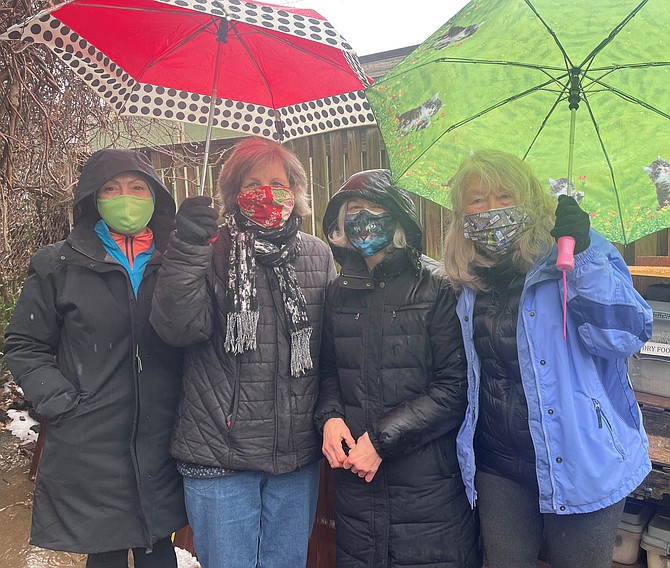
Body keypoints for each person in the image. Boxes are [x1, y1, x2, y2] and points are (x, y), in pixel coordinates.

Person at [443, 149, 653, 568]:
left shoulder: (576, 255)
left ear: (531, 200)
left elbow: (625, 337)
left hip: (579, 457)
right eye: (477, 200)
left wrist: (585, 258)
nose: (491, 209)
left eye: (505, 196)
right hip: (500, 464)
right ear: (462, 214)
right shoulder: (468, 281)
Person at [149, 137, 336, 568]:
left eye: (278, 182)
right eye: (253, 183)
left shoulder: (317, 255)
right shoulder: (207, 249)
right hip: (219, 451)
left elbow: (327, 350)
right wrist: (185, 249)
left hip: (294, 458)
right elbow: (176, 328)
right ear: (233, 193)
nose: (267, 192)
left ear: (296, 191)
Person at [4, 149, 187, 568]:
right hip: (92, 438)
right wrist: (61, 402)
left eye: (138, 187)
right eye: (112, 188)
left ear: (155, 196)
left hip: (161, 434)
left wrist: (194, 247)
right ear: (93, 198)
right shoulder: (59, 264)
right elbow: (24, 343)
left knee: (157, 548)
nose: (126, 197)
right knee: (103, 551)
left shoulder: (175, 262)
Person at [315, 169, 482, 568]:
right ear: (339, 224)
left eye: (376, 209)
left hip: (429, 490)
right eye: (354, 211)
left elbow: (455, 387)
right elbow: (327, 372)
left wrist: (381, 441)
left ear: (399, 219)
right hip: (357, 486)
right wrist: (330, 417)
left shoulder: (439, 286)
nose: (364, 219)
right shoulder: (337, 292)